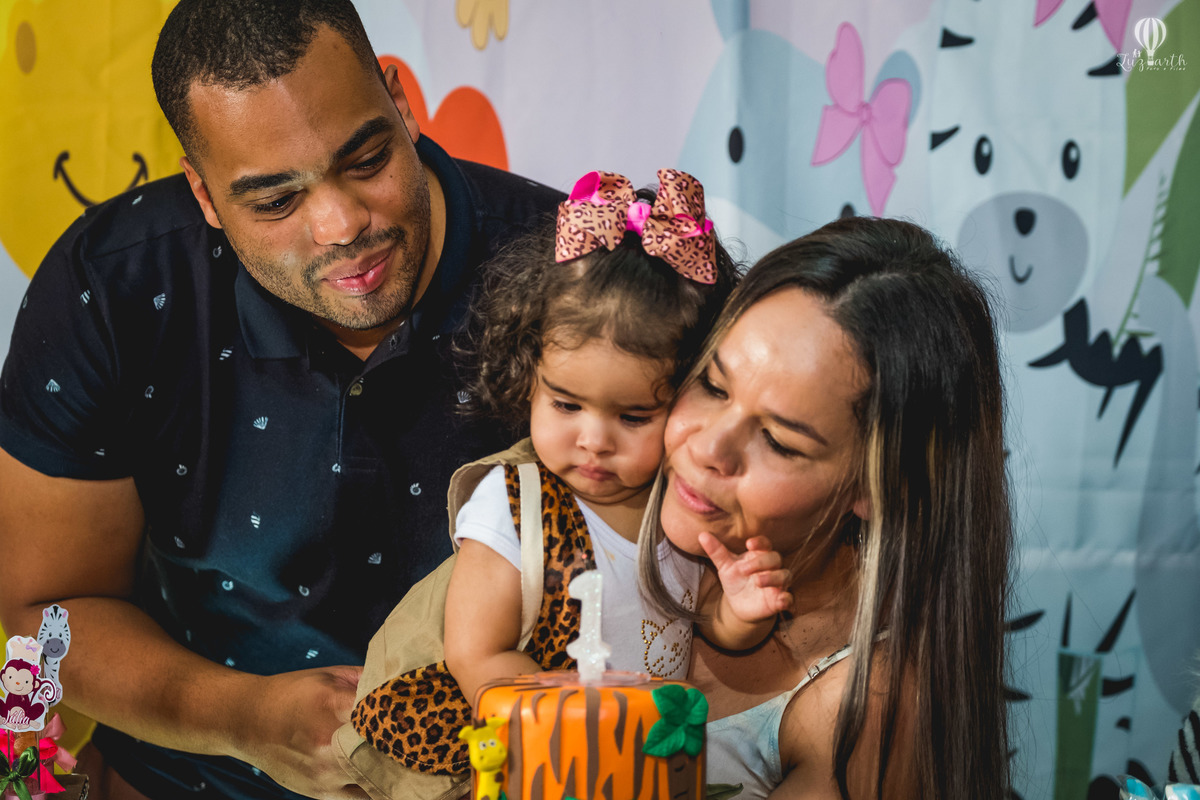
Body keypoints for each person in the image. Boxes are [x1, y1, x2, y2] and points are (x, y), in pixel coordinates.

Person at [0, 1, 562, 798]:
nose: (341, 225)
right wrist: (244, 718)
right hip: (189, 777)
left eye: (366, 159)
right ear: (204, 195)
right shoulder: (115, 287)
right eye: (275, 202)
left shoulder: (574, 271)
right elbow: (48, 608)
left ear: (401, 104)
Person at [347, 169, 786, 784]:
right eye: (566, 404)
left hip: (631, 763)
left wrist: (742, 612)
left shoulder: (680, 505)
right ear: (529, 375)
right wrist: (564, 721)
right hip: (532, 762)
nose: (594, 440)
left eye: (633, 416)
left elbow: (705, 622)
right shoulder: (513, 503)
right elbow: (476, 653)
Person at [640, 216, 1013, 799]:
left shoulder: (864, 704)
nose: (708, 448)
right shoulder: (598, 484)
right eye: (712, 386)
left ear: (880, 485)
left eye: (778, 441)